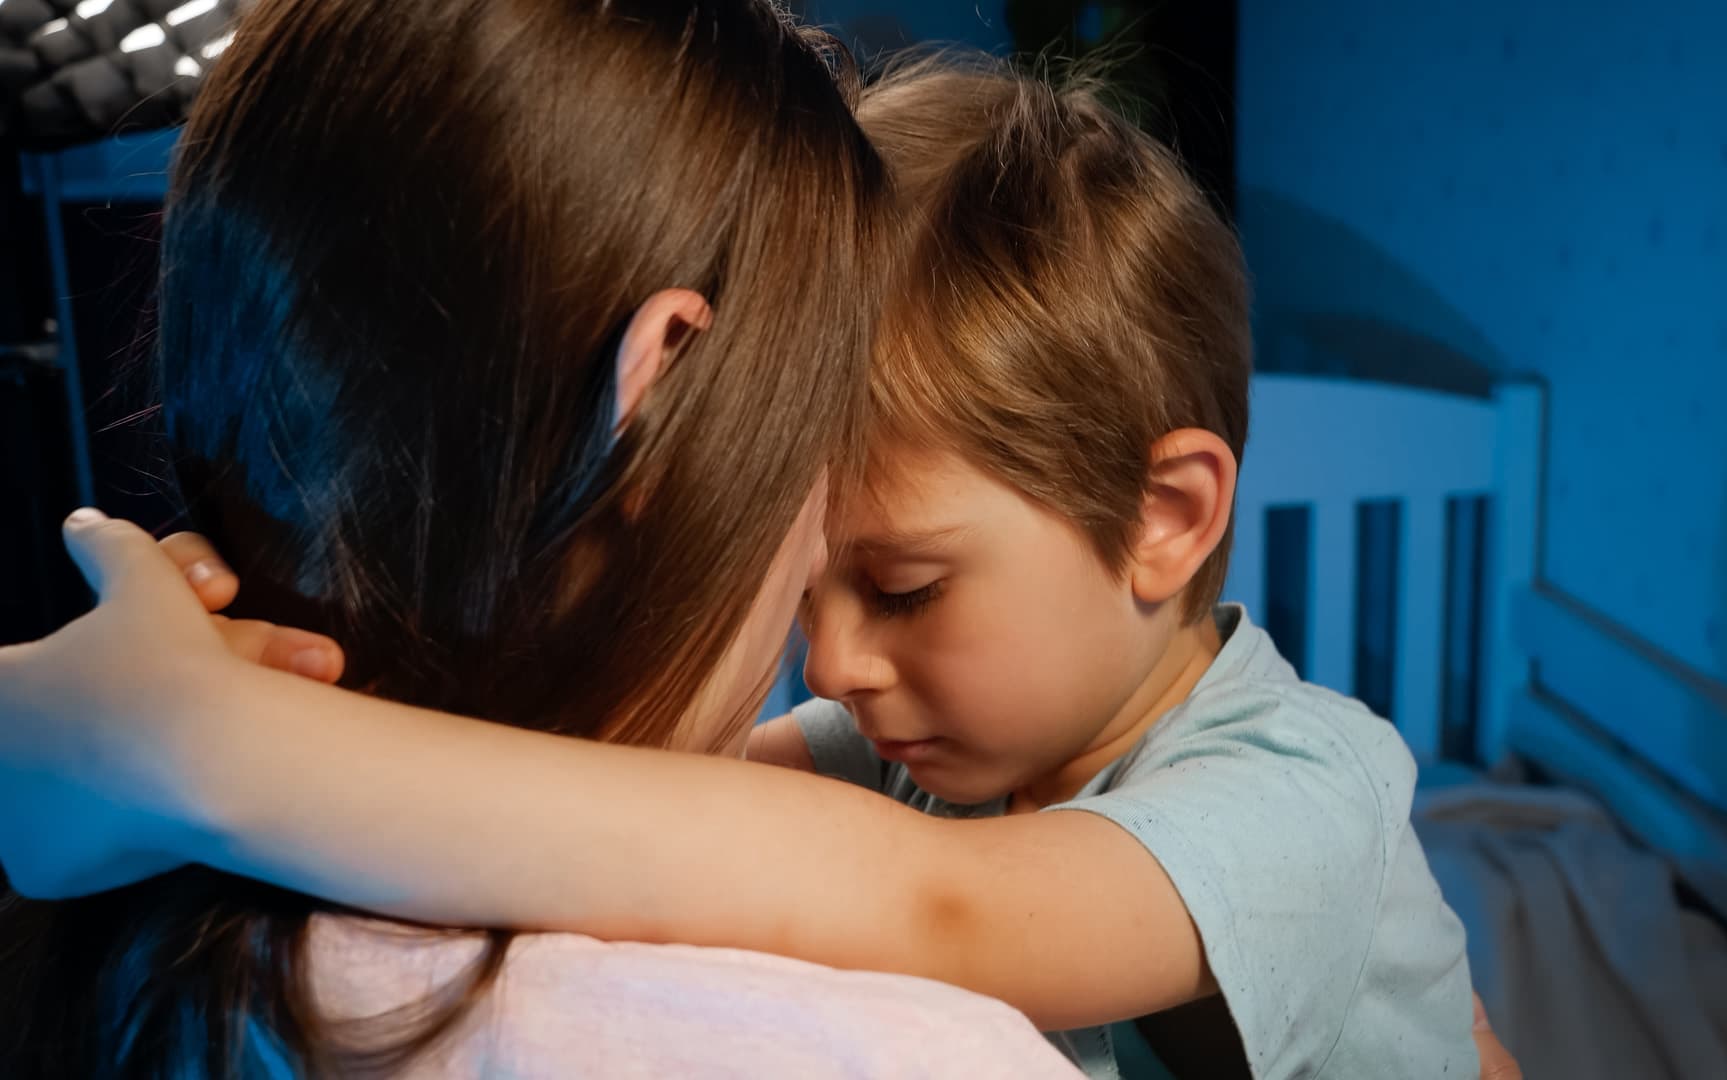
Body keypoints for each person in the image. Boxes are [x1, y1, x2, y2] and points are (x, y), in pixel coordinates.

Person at [0, 55, 1529, 1078]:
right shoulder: (931, 744)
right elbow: (625, 811)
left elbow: (945, 913)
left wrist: (207, 746)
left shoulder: (1306, 787)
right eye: (809, 593)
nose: (841, 665)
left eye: (907, 588)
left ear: (1170, 518)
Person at [0, 2, 1081, 1075]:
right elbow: (945, 904)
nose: (827, 645)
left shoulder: (94, 908)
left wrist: (169, 746)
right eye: (819, 423)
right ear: (656, 399)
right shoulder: (903, 1052)